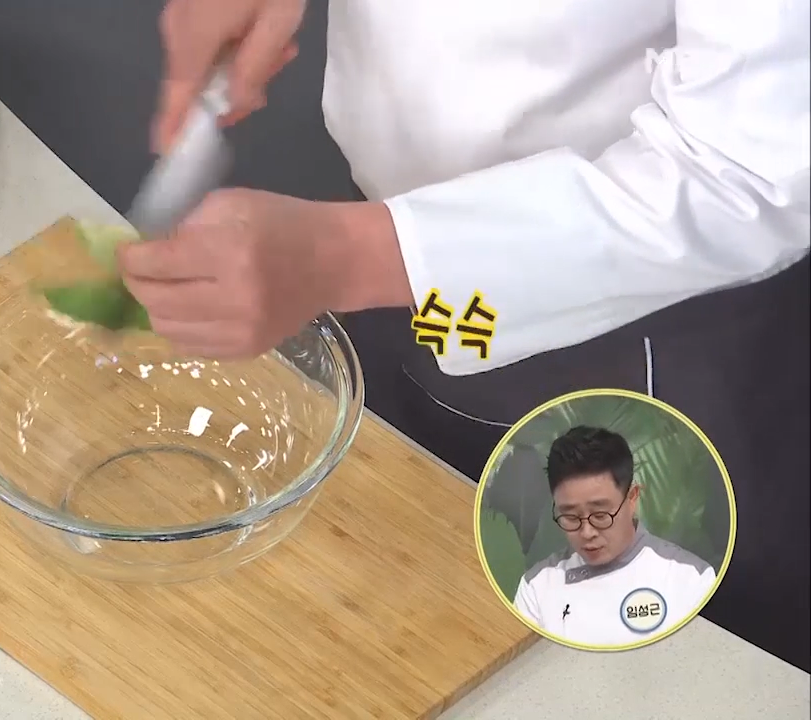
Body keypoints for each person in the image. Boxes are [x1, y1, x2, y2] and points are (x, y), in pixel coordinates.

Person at [116, 0, 811, 670]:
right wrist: (364, 258)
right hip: (394, 264)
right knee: (402, 585)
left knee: (632, 662)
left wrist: (348, 256)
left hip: (638, 329)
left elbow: (751, 174)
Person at [511, 427, 717, 646]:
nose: (587, 532)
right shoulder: (537, 587)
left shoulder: (689, 578)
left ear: (632, 498)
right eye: (570, 517)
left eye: (600, 515)